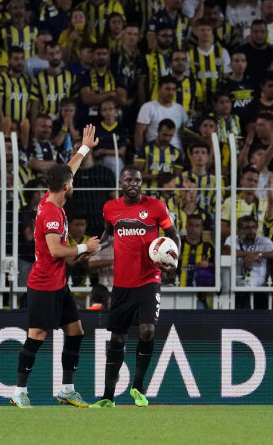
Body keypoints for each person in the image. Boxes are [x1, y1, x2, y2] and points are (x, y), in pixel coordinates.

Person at [10, 125, 101, 409]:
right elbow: (55, 250)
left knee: (75, 331)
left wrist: (84, 148)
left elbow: (68, 170)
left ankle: (67, 390)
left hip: (58, 283)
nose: (73, 184)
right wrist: (85, 247)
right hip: (44, 284)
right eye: (71, 182)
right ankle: (18, 392)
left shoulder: (52, 197)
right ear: (65, 187)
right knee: (37, 336)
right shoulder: (51, 212)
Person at [91, 166, 180, 408]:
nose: (133, 184)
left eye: (137, 180)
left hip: (149, 279)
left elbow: (173, 234)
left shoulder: (156, 207)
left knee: (148, 331)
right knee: (118, 338)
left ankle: (138, 388)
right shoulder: (110, 208)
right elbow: (108, 234)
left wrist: (174, 260)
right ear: (121, 183)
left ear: (141, 183)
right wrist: (94, 247)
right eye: (129, 180)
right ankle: (108, 397)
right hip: (122, 284)